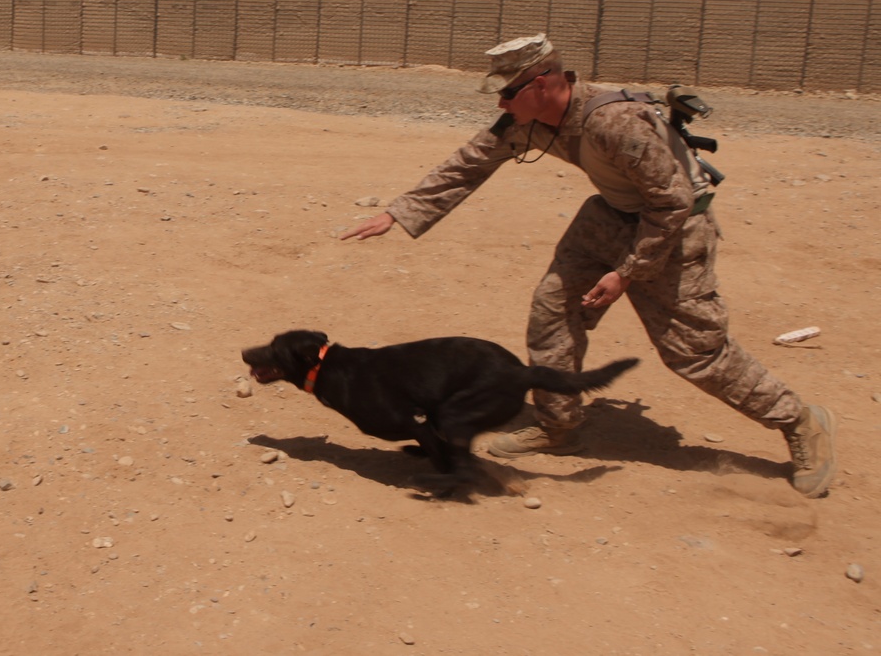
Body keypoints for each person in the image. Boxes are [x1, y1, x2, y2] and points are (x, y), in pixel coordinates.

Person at [340, 34, 837, 498]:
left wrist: (626, 272)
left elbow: (672, 204)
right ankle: (559, 427)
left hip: (673, 232)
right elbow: (470, 162)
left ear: (540, 85)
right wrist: (398, 212)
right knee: (552, 311)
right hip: (609, 218)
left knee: (694, 353)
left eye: (507, 93)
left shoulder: (613, 122)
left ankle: (798, 420)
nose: (500, 105)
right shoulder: (528, 120)